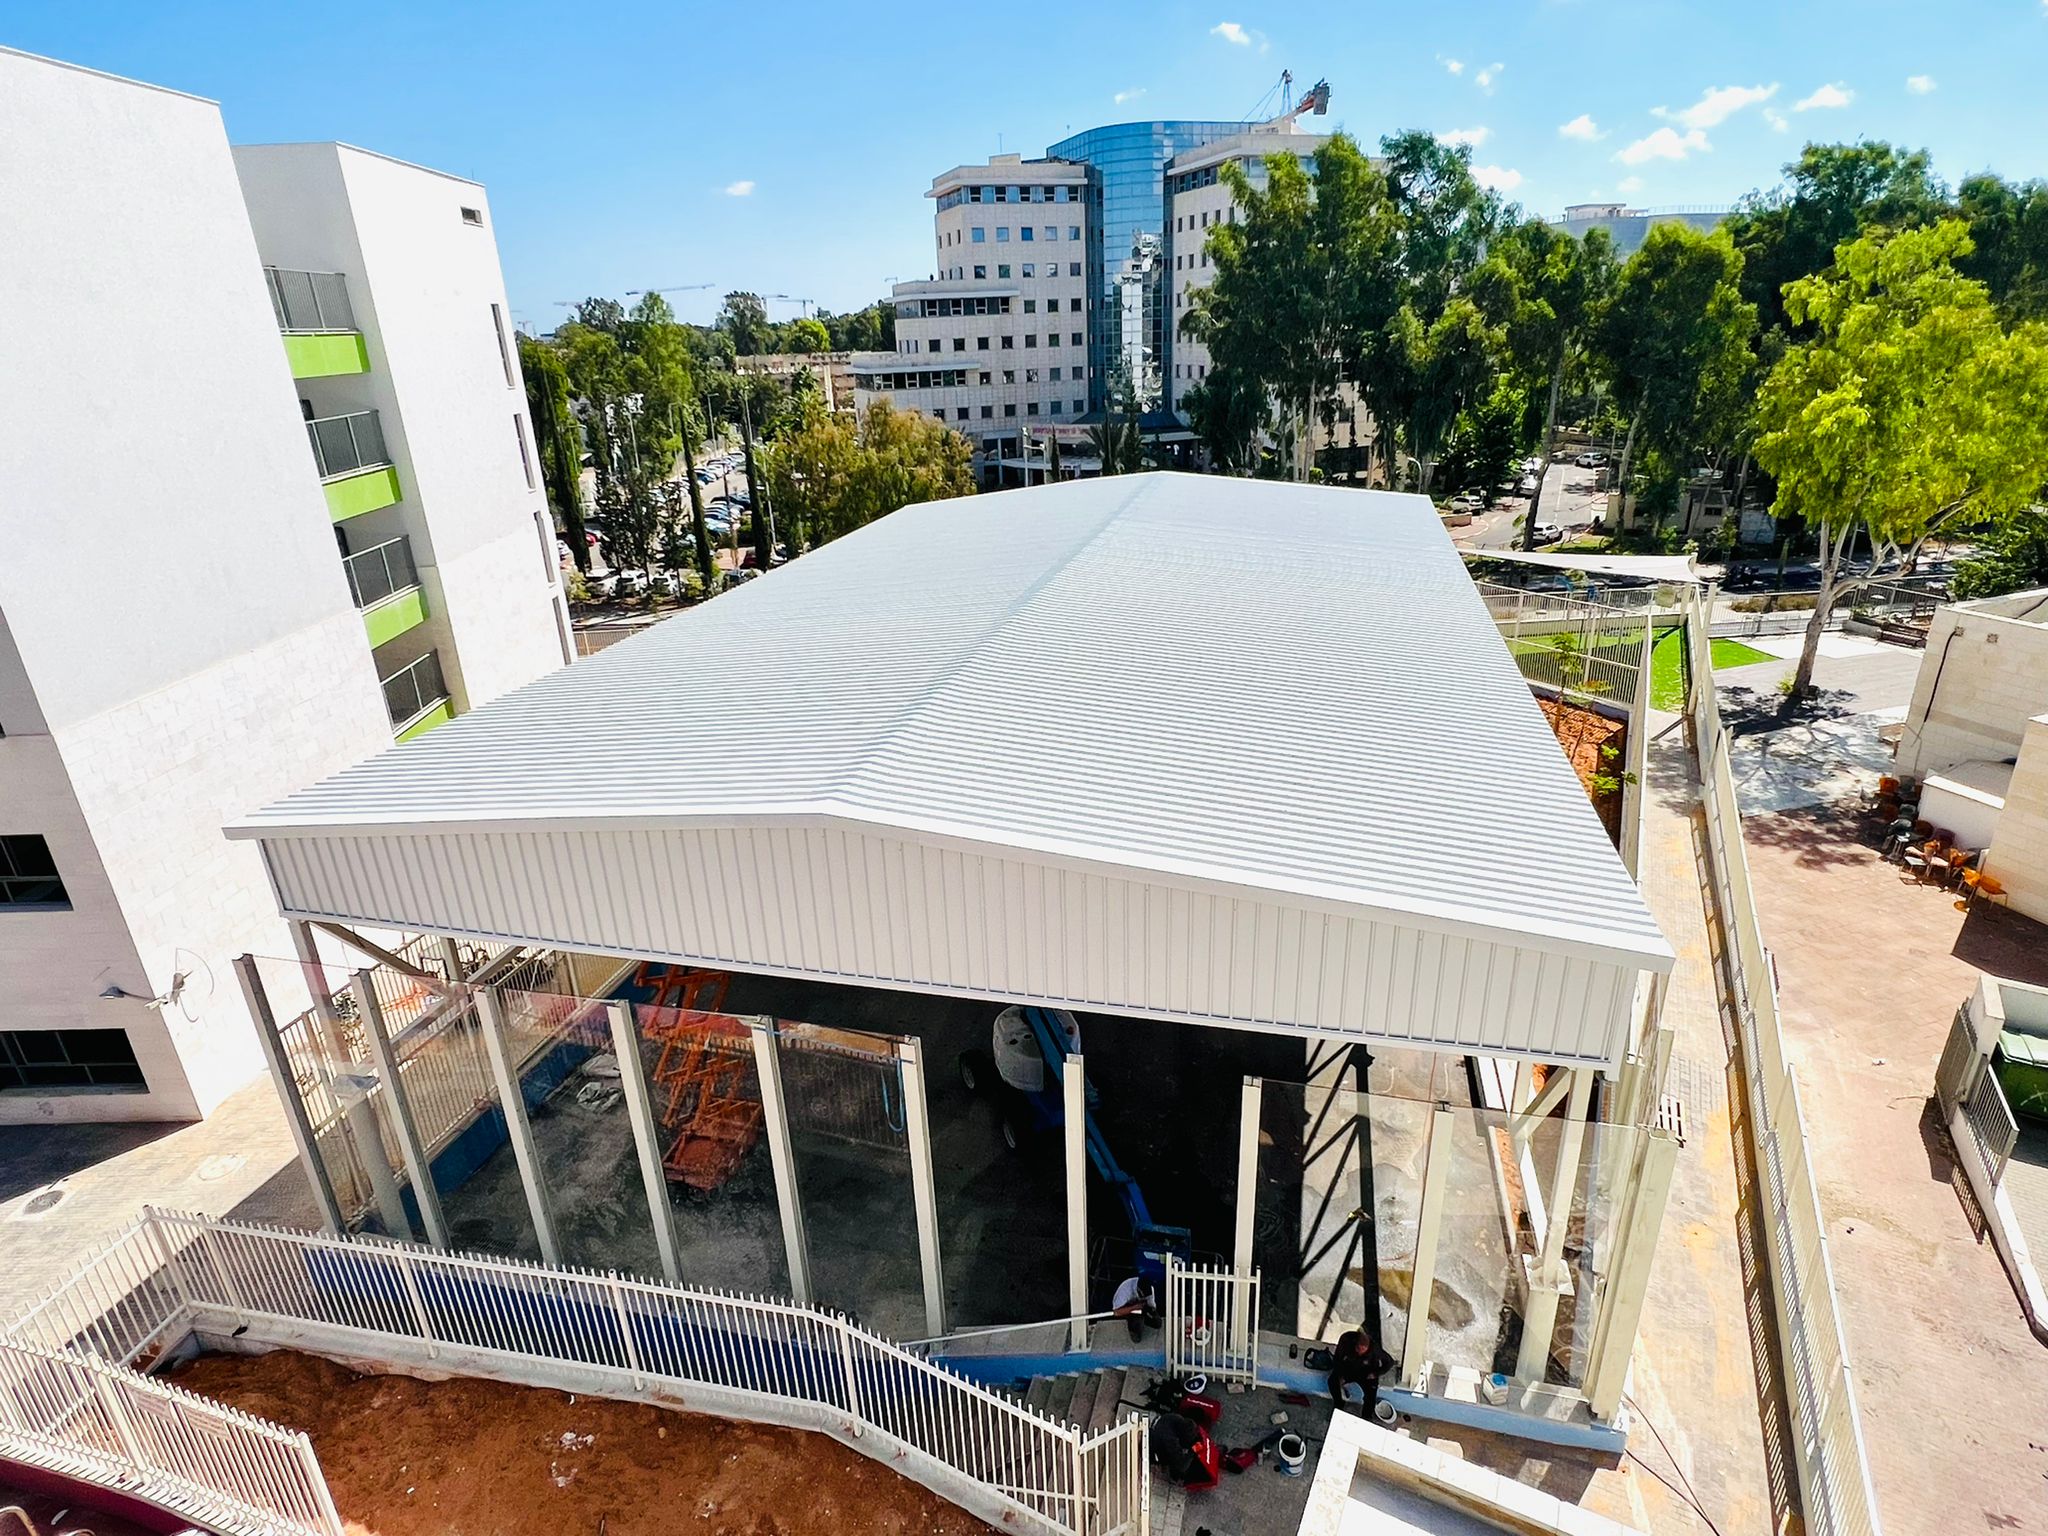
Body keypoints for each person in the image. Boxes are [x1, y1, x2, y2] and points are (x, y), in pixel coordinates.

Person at [1328, 1327, 1396, 1418]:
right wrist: (1340, 1373)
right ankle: (1338, 1404)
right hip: (1349, 1369)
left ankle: (1366, 1417)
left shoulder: (1375, 1349)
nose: (1359, 1351)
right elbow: (1337, 1358)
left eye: (1362, 1349)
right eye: (1357, 1348)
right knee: (1332, 1381)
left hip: (1367, 1374)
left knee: (1370, 1397)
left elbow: (1389, 1362)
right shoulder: (1346, 1339)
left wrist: (1376, 1374)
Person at [1111, 1274, 1157, 1341]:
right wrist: (1134, 1308)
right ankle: (1134, 1329)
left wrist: (1150, 1311)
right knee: (1136, 1334)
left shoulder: (1150, 1289)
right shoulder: (1125, 1290)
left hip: (1141, 1306)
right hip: (1129, 1308)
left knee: (1157, 1322)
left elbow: (1152, 1306)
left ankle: (1144, 1321)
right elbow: (1116, 1312)